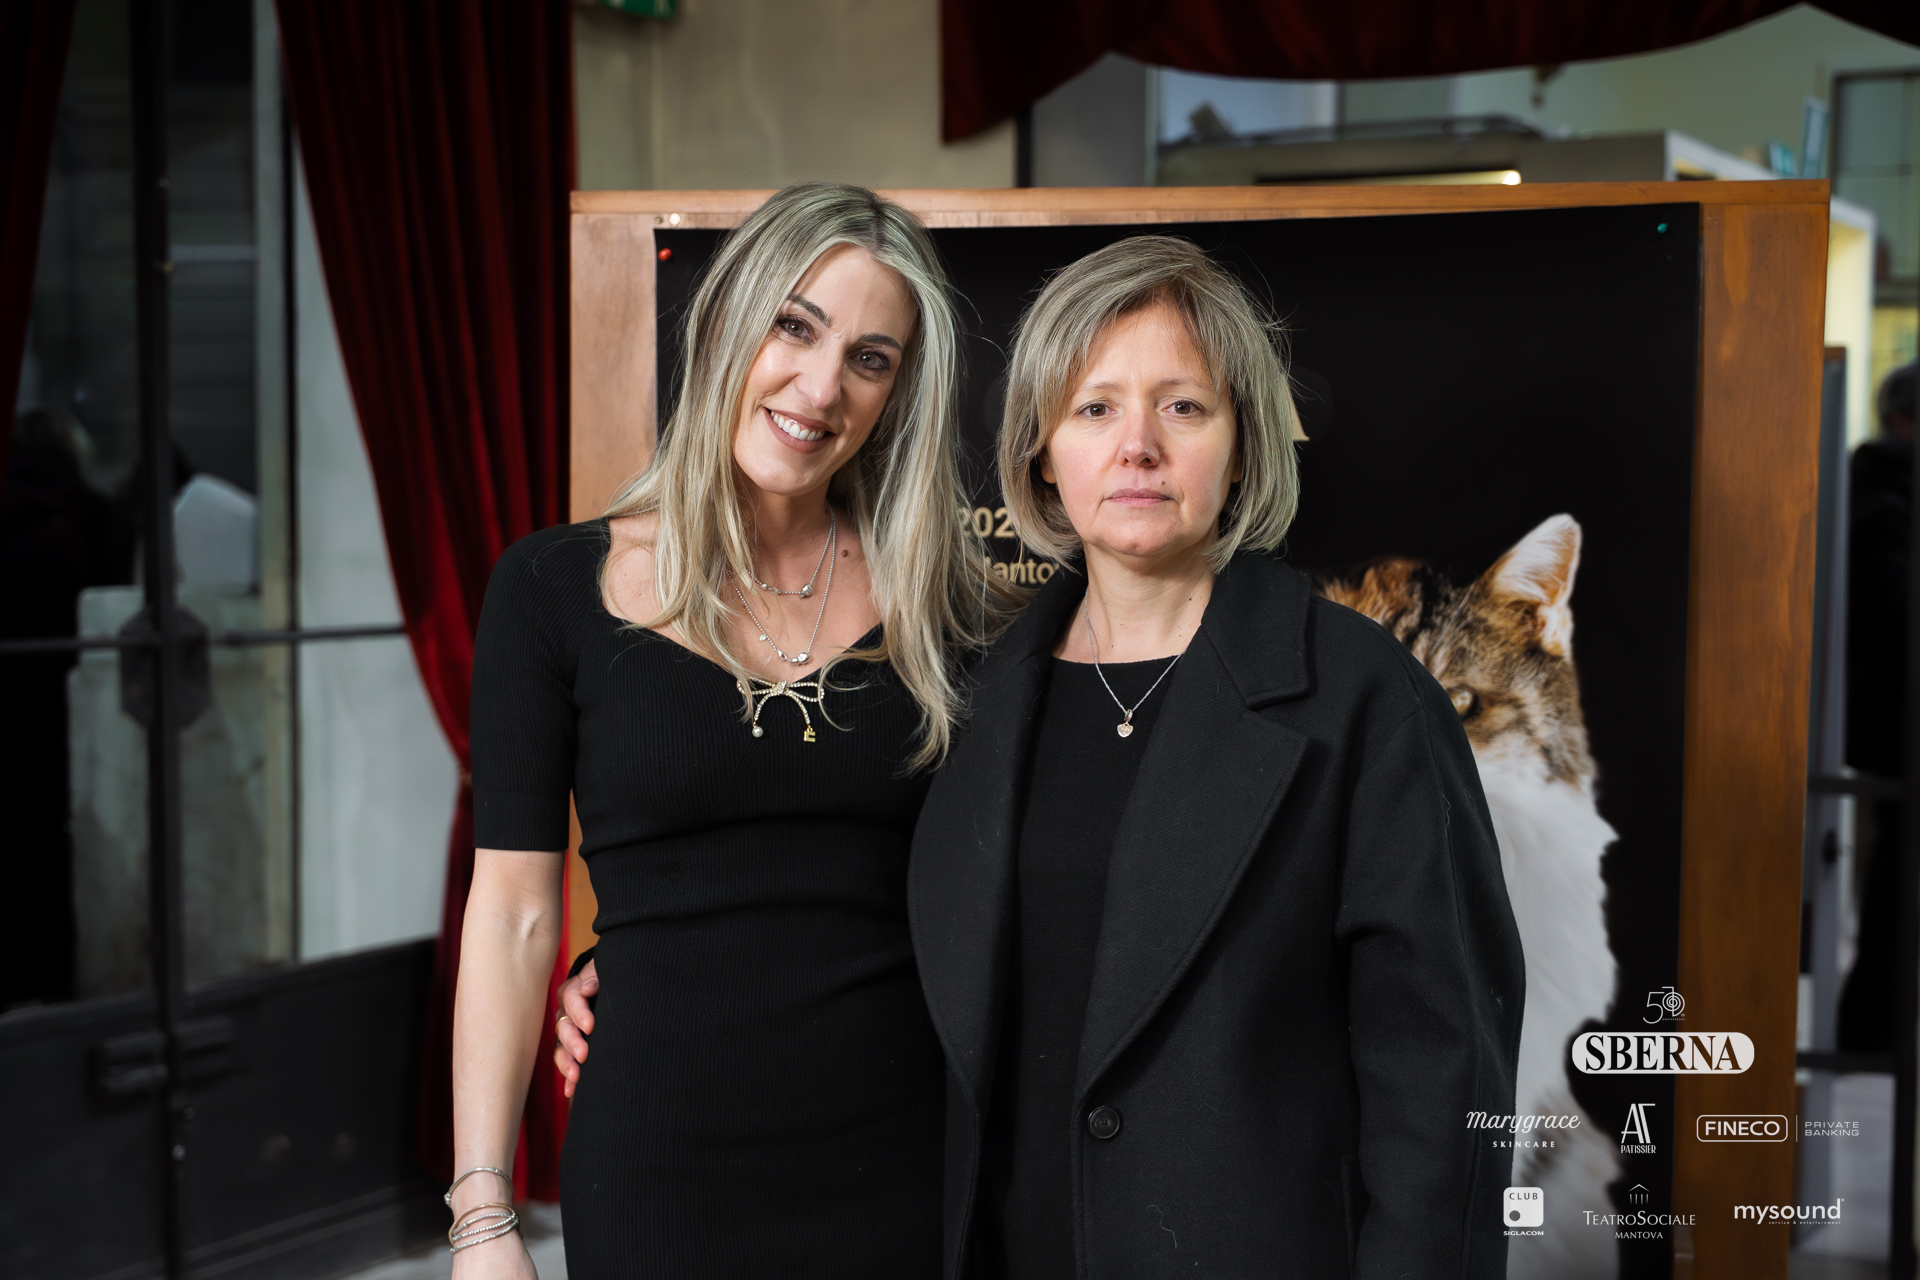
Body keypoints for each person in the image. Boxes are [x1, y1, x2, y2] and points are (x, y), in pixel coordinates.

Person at [559, 235, 1525, 1275]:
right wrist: (641, 962)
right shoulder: (965, 687)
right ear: (1041, 455)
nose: (1137, 446)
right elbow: (843, 886)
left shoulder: (1364, 697)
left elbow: (1446, 1076)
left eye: (1184, 406)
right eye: (1094, 408)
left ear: (1244, 446)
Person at [456, 182, 1014, 1279]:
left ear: (899, 393)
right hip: (658, 1166)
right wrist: (483, 1213)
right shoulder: (551, 588)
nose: (822, 386)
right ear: (725, 321)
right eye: (794, 326)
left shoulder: (950, 611)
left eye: (870, 358)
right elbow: (513, 912)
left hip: (900, 1161)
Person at [1840, 358, 1914, 1050]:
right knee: (1896, 880)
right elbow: (1896, 614)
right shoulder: (1883, 499)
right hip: (1895, 731)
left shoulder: (1880, 493)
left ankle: (1874, 1025)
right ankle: (1872, 1028)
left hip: (1886, 728)